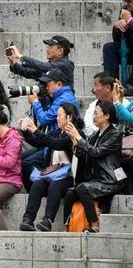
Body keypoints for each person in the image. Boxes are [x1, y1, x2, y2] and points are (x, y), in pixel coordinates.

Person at [19, 103, 84, 232]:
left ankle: (47, 220)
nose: (57, 118)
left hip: (70, 177)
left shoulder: (75, 133)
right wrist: (25, 130)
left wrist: (36, 130)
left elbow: (57, 144)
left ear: (69, 117)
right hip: (53, 173)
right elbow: (39, 142)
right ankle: (28, 219)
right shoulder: (57, 132)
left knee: (55, 185)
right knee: (37, 184)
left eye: (60, 116)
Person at [64, 101, 125, 232]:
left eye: (96, 113)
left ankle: (94, 223)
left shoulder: (115, 135)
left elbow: (97, 152)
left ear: (107, 115)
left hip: (110, 180)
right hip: (95, 180)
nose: (94, 117)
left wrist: (79, 138)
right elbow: (84, 155)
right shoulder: (94, 136)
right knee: (70, 193)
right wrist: (74, 140)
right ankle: (67, 226)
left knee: (82, 188)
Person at [22, 69, 79, 192]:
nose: (46, 87)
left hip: (56, 146)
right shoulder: (56, 97)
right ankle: (37, 187)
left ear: (59, 84)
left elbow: (44, 119)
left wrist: (36, 102)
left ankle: (37, 188)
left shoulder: (64, 98)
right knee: (22, 158)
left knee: (27, 163)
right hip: (48, 142)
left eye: (49, 84)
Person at [7, 35, 75, 88]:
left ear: (60, 51)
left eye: (50, 47)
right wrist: (13, 64)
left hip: (62, 104)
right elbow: (29, 72)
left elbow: (43, 66)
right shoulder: (50, 65)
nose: (47, 49)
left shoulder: (67, 65)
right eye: (47, 47)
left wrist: (20, 56)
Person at [103, 0, 133, 95]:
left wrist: (130, 21)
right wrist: (117, 27)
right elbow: (117, 39)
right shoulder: (124, 10)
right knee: (109, 48)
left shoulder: (127, 14)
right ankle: (111, 85)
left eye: (130, 0)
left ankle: (131, 86)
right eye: (124, 0)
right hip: (129, 48)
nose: (126, 3)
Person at [84, 72, 130, 137]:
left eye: (96, 85)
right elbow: (87, 128)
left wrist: (119, 101)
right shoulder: (93, 105)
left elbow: (121, 129)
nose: (94, 90)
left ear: (107, 87)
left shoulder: (125, 104)